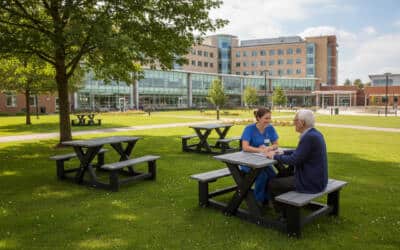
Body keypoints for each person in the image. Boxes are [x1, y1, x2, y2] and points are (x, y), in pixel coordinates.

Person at [265, 109, 328, 214]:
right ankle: (285, 207)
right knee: (283, 175)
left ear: (302, 123)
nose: (293, 122)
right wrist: (283, 152)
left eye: (295, 120)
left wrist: (273, 156)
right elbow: (300, 152)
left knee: (272, 183)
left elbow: (294, 160)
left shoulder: (309, 137)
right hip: (318, 180)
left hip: (311, 183)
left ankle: (283, 215)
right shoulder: (314, 133)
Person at [241, 107, 279, 205]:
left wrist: (269, 148)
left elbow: (276, 144)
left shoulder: (270, 128)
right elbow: (245, 147)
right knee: (262, 176)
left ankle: (268, 198)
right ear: (258, 118)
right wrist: (260, 150)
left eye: (269, 118)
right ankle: (258, 201)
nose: (268, 121)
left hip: (263, 161)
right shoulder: (249, 129)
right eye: (266, 118)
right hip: (247, 161)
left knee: (273, 176)